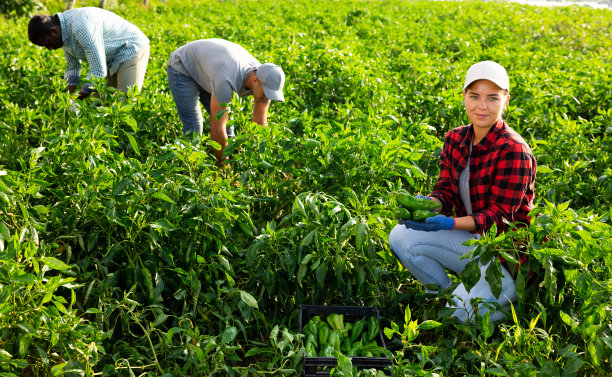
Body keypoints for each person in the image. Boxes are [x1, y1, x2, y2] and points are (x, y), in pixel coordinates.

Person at [388, 61, 536, 323]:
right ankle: (444, 294)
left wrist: (448, 223)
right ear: (465, 97)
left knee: (459, 318)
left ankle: (506, 299)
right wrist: (430, 204)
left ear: (506, 100)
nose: (482, 106)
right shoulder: (455, 139)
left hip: (502, 256)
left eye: (492, 98)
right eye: (474, 96)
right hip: (471, 242)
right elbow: (445, 190)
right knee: (401, 236)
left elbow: (497, 216)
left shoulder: (514, 150)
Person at [166, 38, 285, 167]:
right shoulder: (225, 79)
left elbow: (259, 127)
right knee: (194, 126)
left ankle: (231, 164)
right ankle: (189, 168)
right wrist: (224, 168)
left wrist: (256, 164)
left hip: (210, 70)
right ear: (255, 80)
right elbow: (216, 130)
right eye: (267, 93)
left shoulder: (265, 79)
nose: (267, 98)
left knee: (229, 129)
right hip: (183, 65)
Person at [28, 8, 150, 99]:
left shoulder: (81, 28)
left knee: (126, 102)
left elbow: (98, 71)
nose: (49, 48)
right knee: (100, 103)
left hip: (130, 49)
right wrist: (65, 97)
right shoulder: (63, 34)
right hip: (108, 58)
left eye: (46, 43)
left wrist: (78, 98)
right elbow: (73, 68)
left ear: (53, 31)